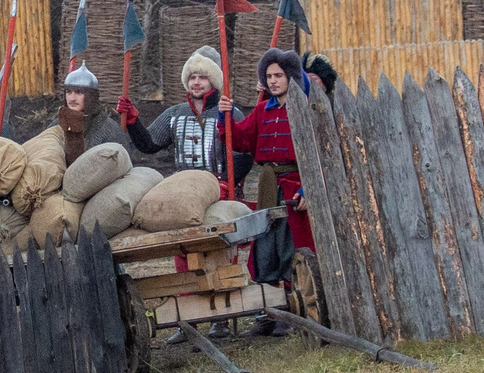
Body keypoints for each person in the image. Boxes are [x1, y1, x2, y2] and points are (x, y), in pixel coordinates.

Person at [230, 48, 310, 321]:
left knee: (292, 245)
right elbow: (240, 139)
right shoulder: (263, 110)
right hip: (267, 185)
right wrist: (225, 117)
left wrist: (306, 189)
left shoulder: (304, 108)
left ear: (290, 76)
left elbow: (317, 155)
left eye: (278, 75)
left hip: (295, 184)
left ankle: (294, 307)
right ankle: (270, 311)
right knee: (266, 241)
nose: (273, 80)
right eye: (268, 76)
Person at [117, 50, 235, 181]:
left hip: (219, 186)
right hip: (181, 184)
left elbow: (242, 156)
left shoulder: (228, 113)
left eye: (203, 77)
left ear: (213, 82)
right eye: (192, 77)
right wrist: (133, 120)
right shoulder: (175, 113)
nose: (196, 82)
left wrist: (224, 181)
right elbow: (148, 144)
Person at [53, 66, 129, 164]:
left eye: (79, 92)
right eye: (68, 92)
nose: (72, 98)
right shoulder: (56, 125)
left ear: (91, 96)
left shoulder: (109, 129)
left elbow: (120, 165)